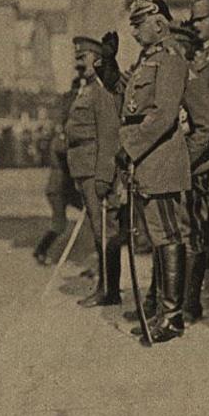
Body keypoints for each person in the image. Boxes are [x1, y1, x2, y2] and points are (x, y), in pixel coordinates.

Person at [119, 0, 192, 342]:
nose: (134, 32)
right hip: (147, 158)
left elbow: (163, 114)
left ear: (159, 23)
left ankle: (173, 316)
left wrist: (130, 147)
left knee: (167, 236)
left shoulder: (171, 58)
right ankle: (162, 310)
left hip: (160, 158)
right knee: (158, 236)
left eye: (139, 24)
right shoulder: (147, 60)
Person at [65, 36, 123, 307]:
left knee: (104, 231)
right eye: (77, 58)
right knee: (99, 230)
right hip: (84, 169)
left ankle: (109, 291)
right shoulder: (85, 90)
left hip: (94, 171)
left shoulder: (100, 92)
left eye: (83, 58)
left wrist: (103, 177)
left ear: (98, 60)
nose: (78, 63)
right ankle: (106, 287)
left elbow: (109, 137)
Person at [170, 21, 209, 324]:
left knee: (190, 236)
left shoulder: (191, 80)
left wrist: (182, 161)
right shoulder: (170, 81)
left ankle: (189, 304)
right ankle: (170, 303)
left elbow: (208, 128)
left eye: (172, 48)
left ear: (184, 51)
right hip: (172, 170)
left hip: (193, 171)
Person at [33, 85, 83, 265]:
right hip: (58, 188)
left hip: (67, 188)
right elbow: (64, 153)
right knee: (59, 224)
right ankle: (40, 251)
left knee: (93, 216)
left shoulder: (64, 134)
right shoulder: (61, 137)